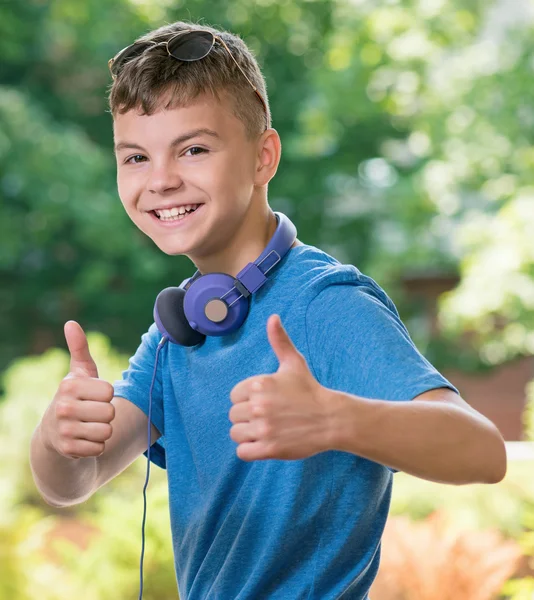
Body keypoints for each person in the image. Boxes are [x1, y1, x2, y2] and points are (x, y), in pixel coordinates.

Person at [30, 20, 507, 600]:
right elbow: (72, 483)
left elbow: (482, 451)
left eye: (194, 149)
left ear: (264, 157)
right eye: (135, 157)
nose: (160, 180)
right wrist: (60, 440)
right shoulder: (178, 330)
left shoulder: (324, 304)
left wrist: (335, 419)